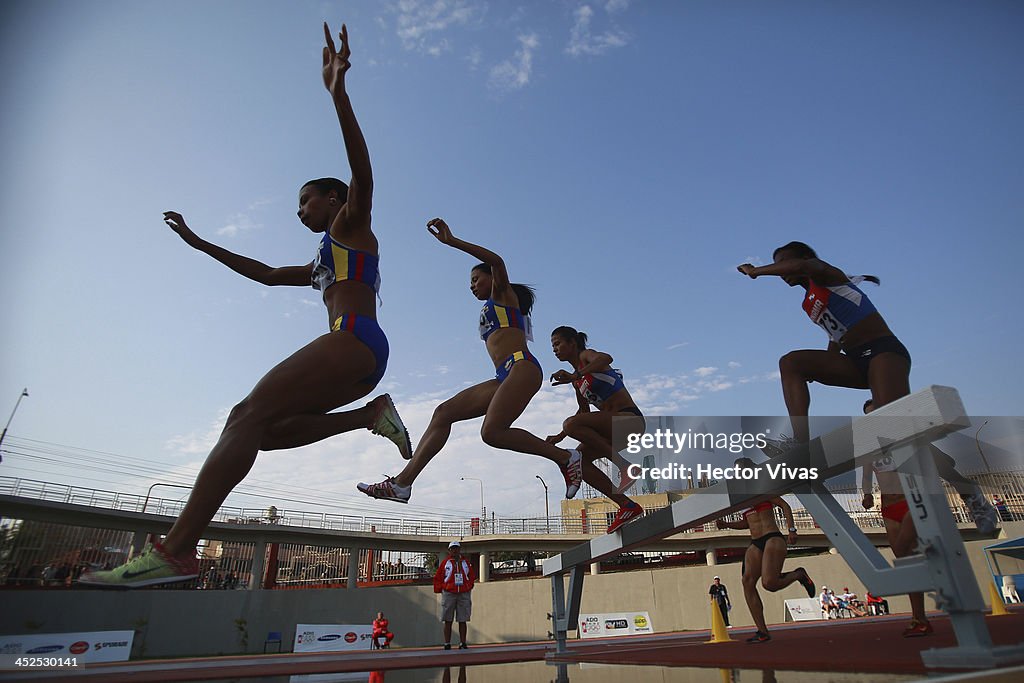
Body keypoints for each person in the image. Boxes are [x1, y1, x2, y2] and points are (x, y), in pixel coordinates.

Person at [79, 22, 411, 588]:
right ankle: (367, 416)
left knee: (245, 416)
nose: (300, 210)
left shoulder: (352, 223)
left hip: (354, 339)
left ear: (332, 199)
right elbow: (261, 274)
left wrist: (338, 94)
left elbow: (363, 172)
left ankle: (178, 550)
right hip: (355, 353)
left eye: (306, 200)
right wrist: (199, 242)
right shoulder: (321, 262)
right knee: (259, 428)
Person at [358, 219, 600, 506]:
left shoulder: (503, 295)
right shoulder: (491, 306)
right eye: (470, 282)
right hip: (503, 376)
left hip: (522, 367)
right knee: (443, 412)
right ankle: (402, 484)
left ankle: (565, 457)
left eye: (476, 279)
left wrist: (453, 241)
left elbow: (496, 260)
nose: (472, 285)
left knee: (492, 432)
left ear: (493, 280)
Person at [737, 242, 909, 448]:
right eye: (777, 265)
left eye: (784, 262)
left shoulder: (827, 274)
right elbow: (835, 336)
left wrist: (755, 271)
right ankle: (800, 444)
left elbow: (804, 267)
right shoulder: (808, 303)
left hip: (884, 354)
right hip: (855, 361)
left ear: (805, 258)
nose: (781, 270)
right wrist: (825, 364)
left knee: (892, 431)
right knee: (791, 363)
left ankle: (944, 464)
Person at [547, 326, 645, 532]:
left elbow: (606, 358)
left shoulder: (586, 356)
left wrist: (577, 375)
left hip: (630, 421)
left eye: (557, 344)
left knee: (571, 424)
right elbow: (582, 413)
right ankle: (627, 506)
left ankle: (624, 466)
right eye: (552, 346)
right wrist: (560, 436)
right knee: (577, 461)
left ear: (572, 343)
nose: (554, 349)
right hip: (610, 430)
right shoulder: (577, 382)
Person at [715, 458, 815, 643]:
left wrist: (791, 529)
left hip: (772, 538)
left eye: (743, 471)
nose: (739, 474)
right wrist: (726, 524)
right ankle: (762, 631)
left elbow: (785, 505)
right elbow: (747, 522)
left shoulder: (762, 489)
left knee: (769, 583)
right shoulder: (741, 497)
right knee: (747, 581)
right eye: (737, 471)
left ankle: (799, 574)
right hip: (756, 542)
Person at [863, 399, 997, 534]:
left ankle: (968, 492)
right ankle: (951, 472)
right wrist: (867, 493)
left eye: (876, 412)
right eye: (870, 415)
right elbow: (867, 473)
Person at [434, 541, 475, 650]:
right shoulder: (445, 563)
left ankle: (463, 643)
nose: (455, 550)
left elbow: (471, 575)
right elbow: (438, 577)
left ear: (459, 549)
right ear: (449, 550)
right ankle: (447, 643)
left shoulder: (465, 562)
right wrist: (442, 589)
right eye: (453, 548)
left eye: (456, 548)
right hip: (449, 593)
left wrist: (469, 586)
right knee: (448, 619)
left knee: (463, 619)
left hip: (463, 593)